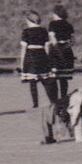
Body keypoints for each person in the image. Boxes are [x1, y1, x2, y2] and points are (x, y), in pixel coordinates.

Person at [20, 10, 59, 142]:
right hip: (42, 56)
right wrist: (48, 60)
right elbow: (47, 47)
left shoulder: (26, 32)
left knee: (32, 82)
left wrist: (22, 64)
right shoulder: (43, 31)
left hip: (31, 56)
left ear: (28, 21)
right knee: (45, 80)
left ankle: (35, 102)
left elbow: (23, 49)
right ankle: (52, 100)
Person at [47, 5, 75, 101]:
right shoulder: (69, 25)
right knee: (64, 78)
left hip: (56, 51)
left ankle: (54, 100)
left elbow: (53, 39)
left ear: (55, 14)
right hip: (67, 50)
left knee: (54, 77)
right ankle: (63, 98)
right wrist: (66, 47)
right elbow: (73, 41)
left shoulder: (52, 24)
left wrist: (56, 49)